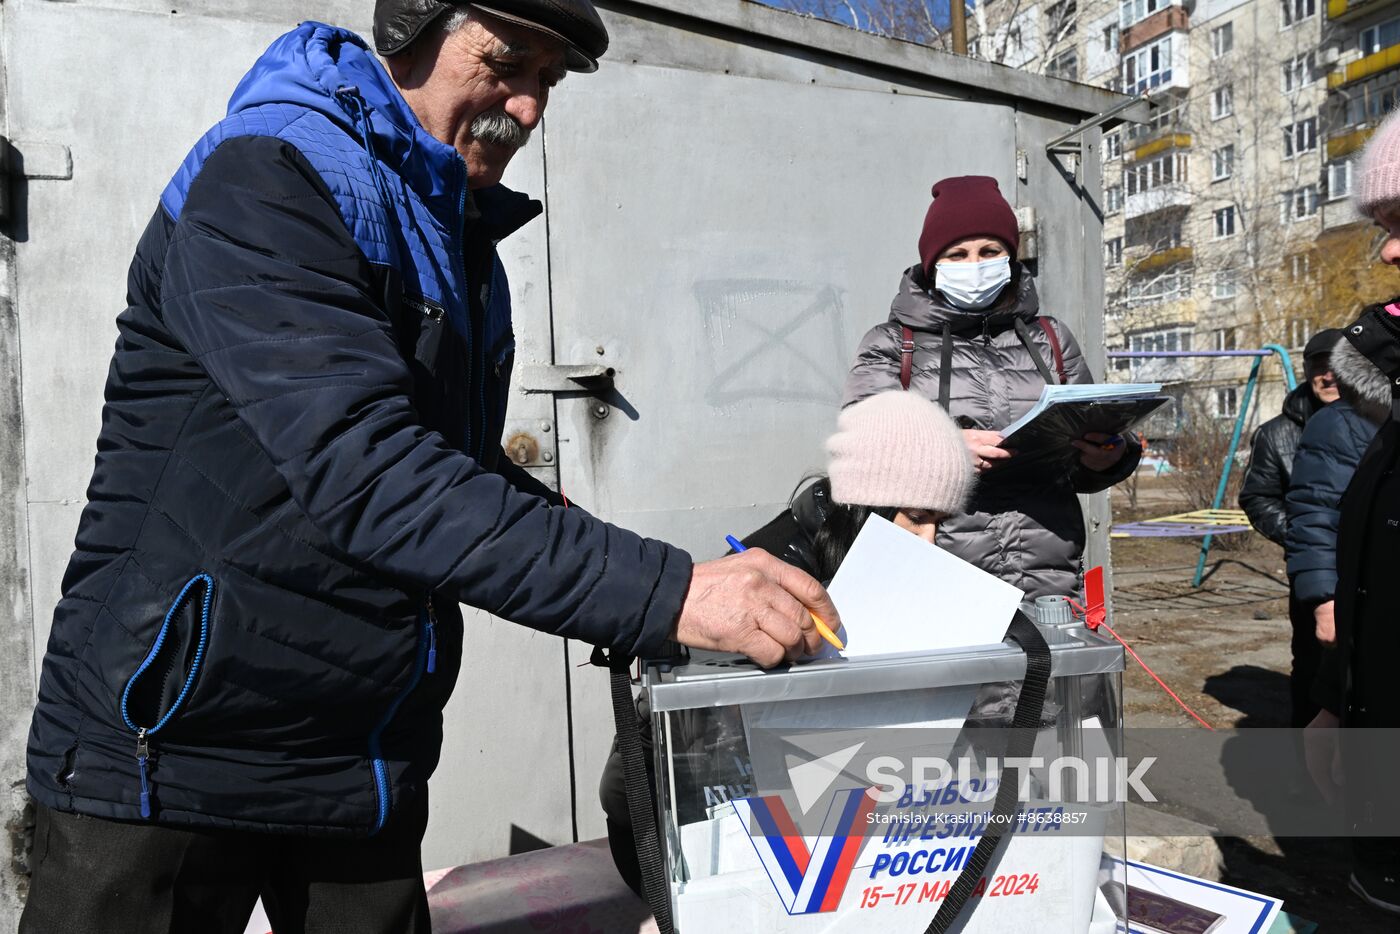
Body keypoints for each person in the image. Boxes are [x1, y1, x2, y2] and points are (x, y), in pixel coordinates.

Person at [19, 5, 838, 932]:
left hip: (357, 748)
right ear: (412, 26)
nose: (527, 108)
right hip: (170, 745)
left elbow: (458, 471)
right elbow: (374, 474)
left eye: (549, 82)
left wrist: (675, 581)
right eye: (507, 63)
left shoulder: (452, 233)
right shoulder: (268, 174)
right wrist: (668, 593)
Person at [600, 390, 977, 895]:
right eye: (915, 516)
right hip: (677, 836)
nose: (929, 542)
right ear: (867, 503)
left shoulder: (869, 557)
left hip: (797, 814)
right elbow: (706, 751)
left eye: (940, 522)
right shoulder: (775, 576)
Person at [845, 176, 1141, 599]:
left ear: (1010, 257)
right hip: (938, 572)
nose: (974, 265)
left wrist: (1108, 456)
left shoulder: (1050, 338)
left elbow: (1084, 451)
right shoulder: (893, 343)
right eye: (957, 254)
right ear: (933, 264)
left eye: (989, 251)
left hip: (1048, 570)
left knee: (1046, 666)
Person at [1305, 108, 1400, 917]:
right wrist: (1342, 701)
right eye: (1383, 227)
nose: (1390, 250)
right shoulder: (1381, 388)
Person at [1283, 333, 1380, 731]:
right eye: (1317, 368)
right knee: (1317, 674)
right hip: (1332, 579)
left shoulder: (1378, 413)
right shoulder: (1298, 428)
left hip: (1343, 571)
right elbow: (1308, 508)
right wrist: (1321, 591)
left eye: (1332, 367)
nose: (1326, 377)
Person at [1239, 329, 1343, 547]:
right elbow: (1257, 498)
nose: (1328, 376)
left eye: (1337, 365)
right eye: (1319, 367)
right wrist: (1304, 539)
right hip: (1316, 561)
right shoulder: (1274, 435)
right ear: (1306, 371)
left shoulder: (1383, 422)